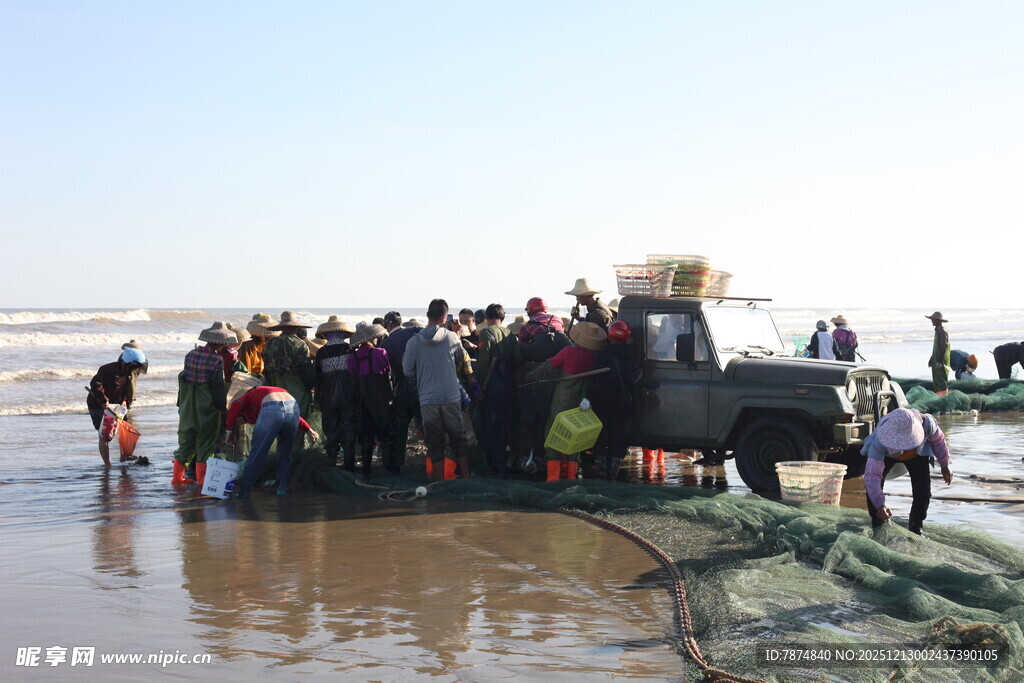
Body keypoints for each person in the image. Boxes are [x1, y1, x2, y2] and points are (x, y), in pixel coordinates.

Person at [403, 299, 480, 481]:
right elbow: (461, 359)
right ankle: (466, 476)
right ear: (445, 318)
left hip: (428, 397)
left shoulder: (414, 342)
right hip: (451, 395)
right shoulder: (452, 337)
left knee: (434, 440)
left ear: (427, 315)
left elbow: (407, 370)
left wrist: (423, 377)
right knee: (458, 437)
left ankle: (438, 480)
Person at [528, 321, 606, 481]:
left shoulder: (569, 351)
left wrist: (531, 377)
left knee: (553, 433)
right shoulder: (593, 358)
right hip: (581, 403)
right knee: (574, 437)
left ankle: (553, 478)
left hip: (562, 400)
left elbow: (548, 366)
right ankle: (571, 476)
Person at [862, 407, 952, 535]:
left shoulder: (927, 424)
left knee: (923, 491)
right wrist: (879, 504)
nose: (902, 448)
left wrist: (945, 464)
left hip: (917, 455)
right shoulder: (879, 440)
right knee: (872, 487)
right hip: (888, 455)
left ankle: (916, 527)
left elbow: (939, 442)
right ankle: (878, 524)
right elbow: (872, 476)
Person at [225, 386, 319, 498]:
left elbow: (236, 404)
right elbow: (287, 411)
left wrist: (229, 430)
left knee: (257, 454)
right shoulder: (263, 393)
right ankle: (282, 488)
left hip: (272, 409)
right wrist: (309, 430)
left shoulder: (245, 397)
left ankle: (244, 492)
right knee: (285, 453)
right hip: (293, 406)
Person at [174, 323, 231, 486]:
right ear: (221, 343)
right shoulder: (216, 359)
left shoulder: (190, 354)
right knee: (206, 443)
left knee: (186, 441)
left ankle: (177, 478)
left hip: (187, 406)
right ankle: (201, 481)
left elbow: (184, 378)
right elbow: (218, 386)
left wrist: (180, 403)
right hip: (206, 408)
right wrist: (222, 408)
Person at [475, 304, 523, 476]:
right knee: (504, 427)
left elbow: (483, 364)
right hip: (508, 384)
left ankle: (492, 467)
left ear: (487, 317)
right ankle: (502, 464)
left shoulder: (486, 333)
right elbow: (518, 358)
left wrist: (478, 386)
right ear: (502, 317)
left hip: (492, 386)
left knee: (489, 427)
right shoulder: (510, 334)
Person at [587, 320, 636, 480]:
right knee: (617, 435)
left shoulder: (604, 353)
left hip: (603, 400)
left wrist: (587, 397)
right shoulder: (631, 355)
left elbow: (595, 379)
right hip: (622, 400)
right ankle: (614, 471)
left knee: (601, 435)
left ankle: (601, 472)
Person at [86, 343, 148, 466]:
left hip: (117, 405)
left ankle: (124, 455)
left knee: (125, 429)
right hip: (97, 404)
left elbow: (125, 391)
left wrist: (124, 402)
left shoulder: (129, 373)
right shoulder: (107, 369)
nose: (134, 370)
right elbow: (95, 384)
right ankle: (107, 464)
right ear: (127, 363)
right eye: (134, 367)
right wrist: (103, 401)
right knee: (104, 435)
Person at [348, 323, 394, 477]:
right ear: (371, 338)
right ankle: (388, 468)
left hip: (362, 401)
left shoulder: (352, 357)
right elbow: (388, 372)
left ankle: (366, 470)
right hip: (380, 399)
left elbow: (352, 379)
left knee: (366, 436)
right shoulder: (381, 352)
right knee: (385, 432)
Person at [381, 312, 423, 475]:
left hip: (402, 388)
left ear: (389, 325)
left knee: (400, 428)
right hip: (421, 384)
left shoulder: (386, 343)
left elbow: (387, 371)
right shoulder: (415, 331)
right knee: (426, 425)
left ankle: (397, 465)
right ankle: (435, 462)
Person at [314, 316, 357, 470]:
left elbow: (317, 378)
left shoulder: (321, 352)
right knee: (348, 429)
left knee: (331, 431)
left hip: (328, 398)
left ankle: (332, 464)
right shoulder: (350, 349)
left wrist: (317, 399)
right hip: (348, 396)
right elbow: (355, 373)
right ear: (343, 333)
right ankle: (349, 466)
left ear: (327, 335)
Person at [263, 311, 317, 417]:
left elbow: (266, 368)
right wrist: (311, 385)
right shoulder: (300, 344)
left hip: (274, 387)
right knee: (297, 418)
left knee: (278, 418)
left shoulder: (270, 343)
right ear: (296, 327)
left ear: (281, 328)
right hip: (296, 388)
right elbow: (306, 370)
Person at [926, 312, 951, 395]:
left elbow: (943, 348)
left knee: (941, 382)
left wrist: (939, 361)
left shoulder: (942, 332)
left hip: (940, 362)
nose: (932, 321)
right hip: (936, 360)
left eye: (933, 320)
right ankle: (939, 397)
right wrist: (932, 359)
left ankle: (943, 398)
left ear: (938, 321)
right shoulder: (937, 331)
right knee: (936, 381)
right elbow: (936, 349)